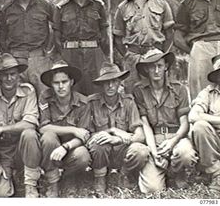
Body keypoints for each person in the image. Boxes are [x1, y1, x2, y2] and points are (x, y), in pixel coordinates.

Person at [133, 49, 198, 193]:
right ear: (146, 69)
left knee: (185, 153)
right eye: (151, 66)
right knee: (152, 189)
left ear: (166, 67)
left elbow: (185, 124)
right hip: (153, 138)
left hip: (176, 136)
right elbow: (146, 125)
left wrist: (172, 142)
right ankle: (162, 168)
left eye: (160, 66)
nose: (156, 70)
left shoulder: (179, 89)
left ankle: (176, 172)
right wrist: (154, 152)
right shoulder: (139, 91)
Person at [0, 53, 41, 198]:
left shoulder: (28, 91)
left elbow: (30, 123)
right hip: (0, 152)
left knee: (30, 134)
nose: (9, 78)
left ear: (18, 75)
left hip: (22, 149)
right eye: (5, 74)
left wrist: (2, 129)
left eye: (13, 74)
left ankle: (30, 185)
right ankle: (11, 176)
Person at [113, 0, 174, 94]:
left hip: (156, 56)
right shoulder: (122, 8)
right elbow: (117, 38)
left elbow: (169, 34)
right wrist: (129, 55)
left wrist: (161, 54)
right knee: (133, 94)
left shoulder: (161, 3)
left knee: (158, 94)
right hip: (133, 58)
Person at [87, 62, 149, 193]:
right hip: (101, 153)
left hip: (122, 151)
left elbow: (140, 136)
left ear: (120, 82)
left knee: (141, 151)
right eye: (106, 82)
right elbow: (86, 134)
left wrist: (119, 139)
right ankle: (100, 178)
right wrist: (110, 132)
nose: (110, 86)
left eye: (114, 81)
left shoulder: (128, 102)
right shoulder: (92, 103)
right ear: (101, 84)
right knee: (99, 143)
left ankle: (124, 174)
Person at [0, 0, 58, 95]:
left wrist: (51, 51)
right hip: (16, 60)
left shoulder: (45, 5)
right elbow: (1, 36)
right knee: (18, 97)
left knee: (45, 96)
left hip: (39, 58)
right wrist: (8, 59)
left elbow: (58, 27)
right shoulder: (6, 9)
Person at [39, 60, 91, 197]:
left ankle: (69, 178)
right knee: (48, 137)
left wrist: (66, 147)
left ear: (72, 82)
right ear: (51, 84)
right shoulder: (45, 97)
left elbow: (84, 135)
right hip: (49, 150)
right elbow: (43, 128)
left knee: (83, 155)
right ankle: (53, 182)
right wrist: (73, 130)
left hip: (71, 148)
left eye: (64, 81)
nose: (61, 86)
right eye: (56, 83)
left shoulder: (83, 102)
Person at [56, 0, 109, 96]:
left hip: (94, 55)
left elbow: (104, 35)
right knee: (72, 93)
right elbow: (56, 36)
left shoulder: (98, 5)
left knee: (96, 91)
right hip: (70, 55)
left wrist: (103, 58)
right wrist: (64, 57)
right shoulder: (61, 7)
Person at [174, 0, 220, 101]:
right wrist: (194, 51)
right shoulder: (187, 4)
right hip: (201, 49)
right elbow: (177, 36)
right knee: (202, 94)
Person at [189, 54, 220, 194]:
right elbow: (193, 116)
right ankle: (217, 175)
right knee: (200, 127)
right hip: (214, 143)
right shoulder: (208, 92)